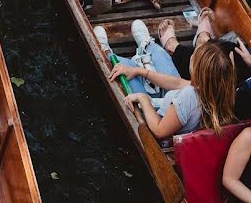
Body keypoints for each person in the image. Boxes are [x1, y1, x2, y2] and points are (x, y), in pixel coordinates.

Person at [99, 21, 236, 138]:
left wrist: (143, 99)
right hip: (171, 101)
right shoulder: (216, 88)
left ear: (197, 70)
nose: (192, 55)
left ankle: (107, 53)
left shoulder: (188, 96)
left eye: (194, 56)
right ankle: (147, 46)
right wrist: (140, 71)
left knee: (122, 68)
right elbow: (177, 83)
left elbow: (159, 130)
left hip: (156, 115)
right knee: (160, 59)